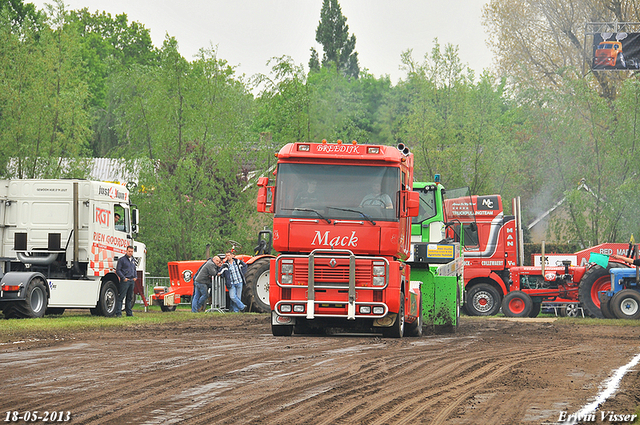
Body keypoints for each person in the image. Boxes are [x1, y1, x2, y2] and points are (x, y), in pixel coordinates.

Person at [115, 245, 137, 317]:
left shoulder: (133, 260)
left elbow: (134, 269)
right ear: (126, 251)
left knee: (129, 297)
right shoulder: (122, 260)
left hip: (131, 280)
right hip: (125, 281)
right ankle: (118, 313)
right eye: (129, 251)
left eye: (131, 251)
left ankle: (129, 313)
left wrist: (135, 277)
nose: (130, 253)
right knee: (121, 297)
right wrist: (123, 278)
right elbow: (118, 270)